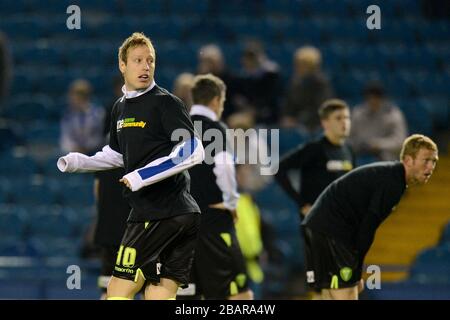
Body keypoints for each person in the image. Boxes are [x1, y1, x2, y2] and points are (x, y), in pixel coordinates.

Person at [57, 32, 205, 300]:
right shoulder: (120, 108)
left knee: (117, 291)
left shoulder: (165, 102)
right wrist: (80, 162)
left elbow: (193, 150)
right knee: (157, 295)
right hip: (175, 215)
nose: (145, 66)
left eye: (150, 61)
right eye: (137, 60)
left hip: (159, 212)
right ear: (122, 65)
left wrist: (142, 176)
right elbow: (116, 154)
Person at [301, 134, 438, 300]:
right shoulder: (393, 183)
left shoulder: (388, 175)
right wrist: (357, 271)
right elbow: (368, 227)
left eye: (434, 161)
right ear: (408, 160)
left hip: (316, 227)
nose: (431, 167)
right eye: (426, 160)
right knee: (347, 294)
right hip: (334, 232)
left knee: (325, 296)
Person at [187, 74, 253, 299]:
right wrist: (232, 202)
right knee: (239, 296)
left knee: (189, 297)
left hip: (181, 228)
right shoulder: (216, 129)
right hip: (214, 224)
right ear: (216, 100)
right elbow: (224, 167)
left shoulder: (176, 128)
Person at [275, 99, 355, 219]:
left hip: (341, 218)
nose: (344, 122)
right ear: (325, 123)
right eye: (338, 118)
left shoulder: (348, 150)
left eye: (347, 118)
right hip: (317, 220)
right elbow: (278, 169)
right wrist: (301, 204)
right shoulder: (314, 149)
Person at [281, 46, 334, 134]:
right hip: (296, 125)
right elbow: (289, 104)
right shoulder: (295, 83)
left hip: (315, 125)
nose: (296, 67)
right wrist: (287, 117)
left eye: (301, 64)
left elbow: (322, 107)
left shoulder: (321, 83)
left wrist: (299, 120)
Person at [349, 81, 408, 161]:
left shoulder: (393, 114)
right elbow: (349, 138)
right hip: (361, 153)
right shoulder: (358, 113)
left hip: (386, 157)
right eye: (370, 98)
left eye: (376, 98)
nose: (373, 101)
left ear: (382, 99)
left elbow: (400, 141)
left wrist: (379, 144)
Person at [60, 79, 105, 155]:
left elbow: (99, 136)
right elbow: (65, 139)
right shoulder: (67, 115)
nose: (71, 99)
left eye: (74, 96)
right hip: (73, 153)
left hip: (93, 153)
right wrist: (75, 148)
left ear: (84, 97)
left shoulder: (98, 113)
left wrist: (86, 147)